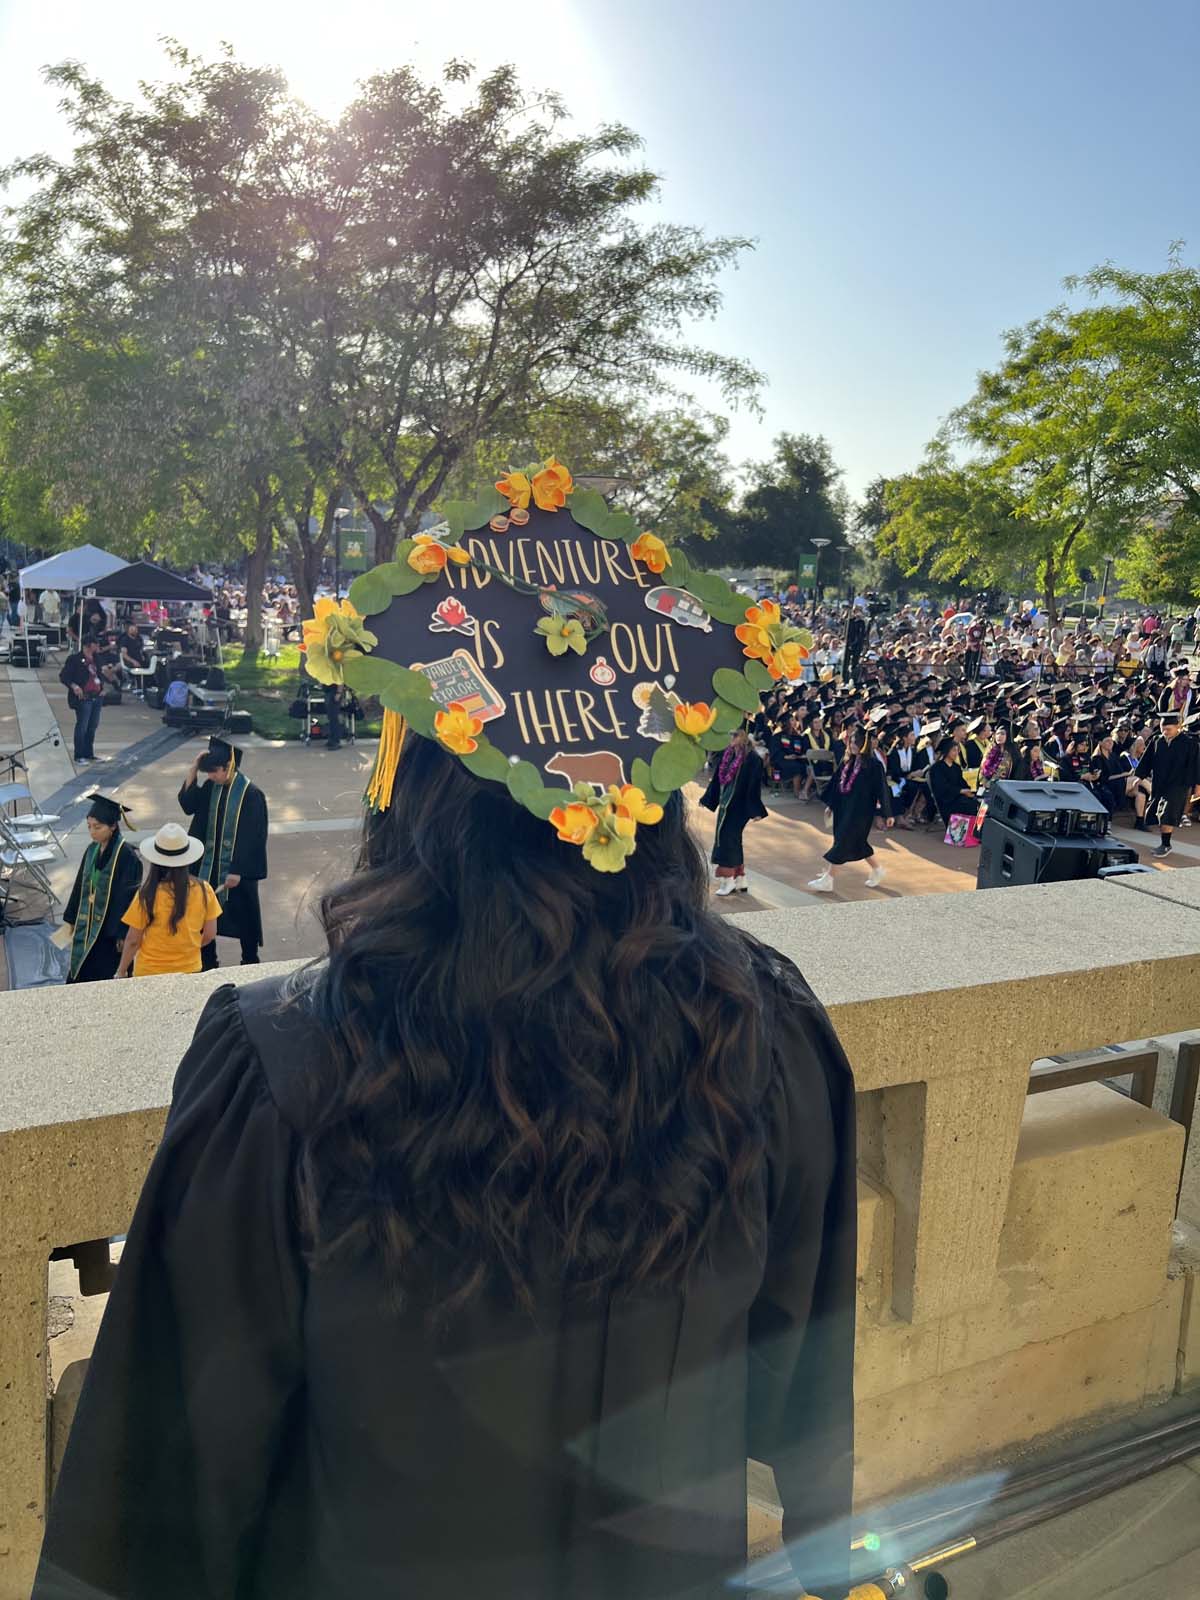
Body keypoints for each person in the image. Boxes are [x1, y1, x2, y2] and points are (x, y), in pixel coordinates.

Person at [36, 467, 857, 1600]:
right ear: (647, 801)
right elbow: (794, 1378)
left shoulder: (284, 1058)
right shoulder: (761, 1036)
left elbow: (169, 1482)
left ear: (417, 784)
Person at [178, 737, 269, 965]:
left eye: (214, 772)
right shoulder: (211, 787)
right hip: (207, 867)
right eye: (207, 772)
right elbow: (189, 806)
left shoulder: (250, 794)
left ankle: (249, 962)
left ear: (228, 767)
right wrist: (193, 770)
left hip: (237, 871)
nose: (210, 777)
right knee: (205, 916)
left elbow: (254, 837)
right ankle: (209, 963)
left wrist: (238, 869)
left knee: (244, 919)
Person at [116, 823, 222, 978]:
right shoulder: (204, 889)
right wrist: (188, 948)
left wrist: (121, 970)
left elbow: (133, 940)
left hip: (149, 971)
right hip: (190, 968)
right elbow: (210, 934)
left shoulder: (147, 894)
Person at [62, 793, 141, 983]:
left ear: (113, 826)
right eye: (89, 827)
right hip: (88, 924)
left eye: (98, 827)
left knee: (104, 974)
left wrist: (122, 932)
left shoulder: (128, 856)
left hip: (110, 932)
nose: (92, 832)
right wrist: (72, 918)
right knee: (81, 971)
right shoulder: (92, 850)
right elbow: (80, 885)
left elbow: (128, 898)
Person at [808, 724, 893, 892]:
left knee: (843, 842)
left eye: (857, 742)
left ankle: (829, 879)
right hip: (843, 809)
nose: (853, 745)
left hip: (861, 812)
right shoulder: (847, 761)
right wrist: (831, 805)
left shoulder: (874, 765)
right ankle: (878, 870)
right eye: (852, 742)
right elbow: (835, 784)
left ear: (864, 744)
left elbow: (882, 789)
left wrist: (887, 813)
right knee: (856, 843)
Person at [699, 726, 767, 896]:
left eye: (735, 734)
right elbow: (717, 779)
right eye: (729, 734)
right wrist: (707, 798)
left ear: (744, 736)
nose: (731, 737)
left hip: (740, 806)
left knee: (727, 839)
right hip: (725, 804)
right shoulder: (727, 754)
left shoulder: (753, 759)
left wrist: (755, 810)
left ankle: (727, 880)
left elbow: (753, 787)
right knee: (733, 840)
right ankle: (740, 879)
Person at [1144, 712, 1200, 858]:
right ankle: (1166, 841)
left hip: (1179, 784)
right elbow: (1147, 760)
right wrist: (1139, 776)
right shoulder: (1157, 741)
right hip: (1160, 783)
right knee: (1157, 813)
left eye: (1168, 729)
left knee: (1167, 813)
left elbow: (1196, 765)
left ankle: (1165, 844)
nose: (1165, 732)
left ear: (1178, 727)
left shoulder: (1189, 743)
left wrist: (1197, 786)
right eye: (1163, 728)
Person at [59, 638, 105, 765]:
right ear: (87, 645)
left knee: (92, 726)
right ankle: (79, 755)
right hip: (83, 697)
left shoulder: (97, 659)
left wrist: (102, 687)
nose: (97, 646)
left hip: (97, 696)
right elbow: (64, 676)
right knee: (82, 726)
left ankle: (89, 753)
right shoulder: (74, 659)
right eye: (95, 643)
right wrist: (74, 686)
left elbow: (100, 674)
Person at [929, 736, 980, 827]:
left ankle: (973, 832)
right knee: (969, 804)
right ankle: (963, 832)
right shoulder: (937, 768)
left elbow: (962, 783)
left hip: (958, 797)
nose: (957, 753)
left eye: (957, 750)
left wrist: (968, 791)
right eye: (954, 750)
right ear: (947, 751)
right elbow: (941, 788)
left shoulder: (956, 767)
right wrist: (960, 791)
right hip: (946, 801)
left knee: (975, 801)